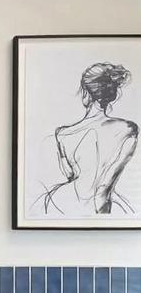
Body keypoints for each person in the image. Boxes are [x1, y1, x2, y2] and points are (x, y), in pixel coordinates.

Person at [43, 62, 138, 216]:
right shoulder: (129, 130)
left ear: (86, 93)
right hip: (97, 204)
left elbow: (70, 175)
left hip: (62, 202)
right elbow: (104, 188)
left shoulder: (62, 134)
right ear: (111, 94)